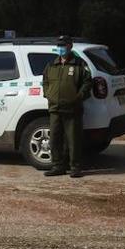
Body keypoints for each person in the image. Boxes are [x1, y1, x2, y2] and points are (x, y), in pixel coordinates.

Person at [41, 35, 92, 178]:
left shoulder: (79, 64)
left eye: (64, 45)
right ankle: (58, 166)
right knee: (55, 139)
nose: (61, 48)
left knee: (73, 140)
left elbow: (88, 83)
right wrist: (48, 94)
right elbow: (45, 81)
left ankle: (75, 167)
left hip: (73, 109)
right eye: (59, 46)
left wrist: (78, 97)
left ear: (70, 46)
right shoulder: (52, 65)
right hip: (55, 109)